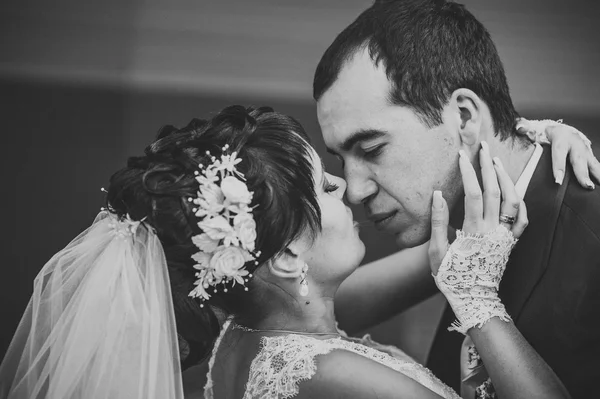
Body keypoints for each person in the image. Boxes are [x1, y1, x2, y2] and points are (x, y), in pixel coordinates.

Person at [0, 105, 591, 399]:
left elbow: (446, 259)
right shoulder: (335, 375)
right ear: (284, 259)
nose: (349, 189)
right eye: (324, 186)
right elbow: (461, 274)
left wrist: (503, 143)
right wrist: (477, 297)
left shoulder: (256, 330)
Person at [312, 0, 600, 397]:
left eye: (372, 149)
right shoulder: (463, 240)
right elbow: (315, 310)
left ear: (464, 117)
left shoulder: (592, 230)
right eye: (341, 160)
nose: (355, 189)